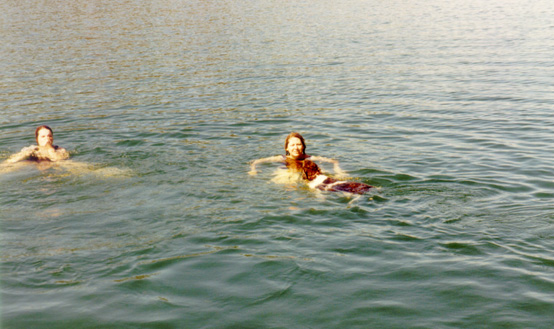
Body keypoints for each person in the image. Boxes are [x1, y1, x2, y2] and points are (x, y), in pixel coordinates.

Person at [249, 132, 374, 195]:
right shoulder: (281, 158)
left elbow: (333, 161)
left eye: (298, 144)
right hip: (290, 173)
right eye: (292, 145)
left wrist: (338, 170)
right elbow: (257, 161)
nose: (296, 148)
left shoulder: (309, 158)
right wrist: (253, 169)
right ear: (286, 148)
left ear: (303, 146)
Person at [3, 125, 69, 164]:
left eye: (49, 136)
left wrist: (50, 148)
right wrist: (27, 153)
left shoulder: (59, 149)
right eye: (43, 136)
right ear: (37, 139)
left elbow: (59, 160)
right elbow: (12, 160)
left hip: (54, 166)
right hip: (34, 166)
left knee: (71, 165)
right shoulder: (32, 149)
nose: (47, 138)